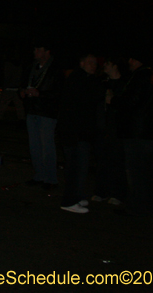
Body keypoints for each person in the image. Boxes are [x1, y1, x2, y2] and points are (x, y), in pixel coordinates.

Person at [111, 50, 153, 216]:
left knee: (136, 171)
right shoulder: (151, 76)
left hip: (137, 132)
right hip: (147, 132)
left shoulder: (140, 77)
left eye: (132, 59)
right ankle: (148, 205)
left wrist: (114, 100)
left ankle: (136, 207)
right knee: (145, 171)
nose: (129, 62)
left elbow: (132, 101)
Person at [56, 53, 100, 213]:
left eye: (95, 63)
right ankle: (69, 200)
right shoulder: (80, 80)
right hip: (76, 133)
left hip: (77, 132)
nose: (93, 66)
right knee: (76, 167)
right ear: (82, 63)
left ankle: (76, 196)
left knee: (79, 166)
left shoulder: (81, 79)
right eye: (90, 62)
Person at [22, 43, 63, 190]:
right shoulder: (32, 67)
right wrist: (24, 92)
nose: (35, 52)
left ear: (47, 52)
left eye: (39, 49)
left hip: (47, 111)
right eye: (35, 49)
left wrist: (40, 94)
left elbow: (59, 92)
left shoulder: (55, 69)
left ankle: (51, 179)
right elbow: (25, 83)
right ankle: (39, 175)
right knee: (34, 146)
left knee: (47, 147)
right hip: (32, 110)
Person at [91, 57, 128, 205]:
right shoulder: (102, 83)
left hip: (117, 129)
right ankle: (101, 191)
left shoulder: (124, 84)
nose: (104, 66)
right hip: (102, 128)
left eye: (107, 63)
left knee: (117, 162)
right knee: (101, 161)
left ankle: (117, 193)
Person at [0, 52, 25, 121]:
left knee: (3, 105)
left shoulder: (8, 65)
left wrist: (3, 86)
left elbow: (6, 77)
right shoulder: (19, 66)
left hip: (9, 88)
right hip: (16, 88)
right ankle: (21, 119)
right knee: (19, 106)